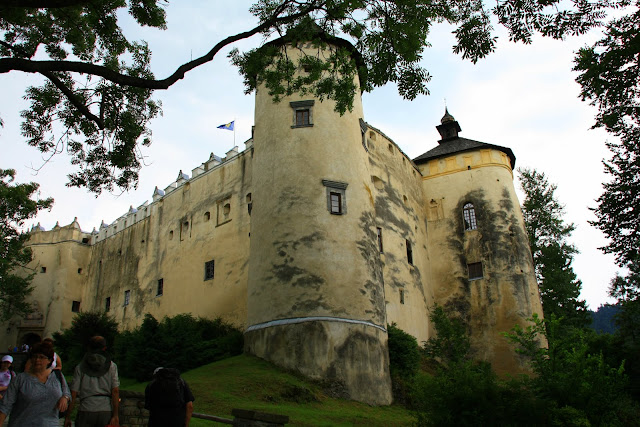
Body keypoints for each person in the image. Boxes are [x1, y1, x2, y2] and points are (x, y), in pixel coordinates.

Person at [0, 341, 70, 426]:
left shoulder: (57, 376)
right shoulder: (20, 379)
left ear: (49, 360)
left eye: (41, 357)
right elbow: (6, 405)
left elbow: (66, 392)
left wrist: (65, 398)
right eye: (35, 357)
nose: (37, 360)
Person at [65, 336, 120, 427]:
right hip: (105, 410)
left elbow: (73, 393)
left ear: (89, 348)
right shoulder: (112, 366)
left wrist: (68, 416)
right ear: (104, 348)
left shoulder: (80, 367)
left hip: (86, 409)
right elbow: (115, 391)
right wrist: (115, 415)